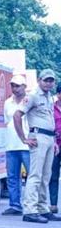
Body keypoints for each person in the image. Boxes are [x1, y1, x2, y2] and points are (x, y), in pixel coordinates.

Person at [13, 69, 61, 224]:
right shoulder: (33, 95)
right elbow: (17, 115)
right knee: (35, 175)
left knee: (46, 175)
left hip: (49, 137)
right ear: (39, 80)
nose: (48, 83)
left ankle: (42, 208)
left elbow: (50, 120)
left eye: (51, 80)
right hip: (38, 137)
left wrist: (54, 141)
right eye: (46, 80)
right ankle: (30, 210)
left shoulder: (48, 97)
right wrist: (23, 138)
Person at [2, 74, 30, 216]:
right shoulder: (8, 102)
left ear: (25, 86)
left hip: (27, 146)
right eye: (13, 85)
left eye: (18, 85)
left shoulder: (30, 101)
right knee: (12, 177)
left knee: (31, 176)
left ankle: (31, 205)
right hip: (11, 145)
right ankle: (15, 205)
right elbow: (8, 121)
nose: (15, 88)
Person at [49, 84, 61, 214]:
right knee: (54, 175)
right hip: (55, 145)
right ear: (58, 94)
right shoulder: (51, 108)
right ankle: (53, 204)